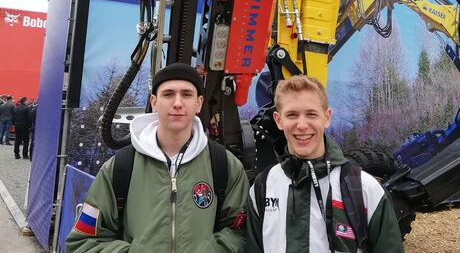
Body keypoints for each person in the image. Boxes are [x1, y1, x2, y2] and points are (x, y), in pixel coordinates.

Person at [66, 62, 249, 252]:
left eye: (187, 94)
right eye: (168, 94)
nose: (177, 103)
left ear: (199, 103)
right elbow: (83, 242)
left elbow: (241, 234)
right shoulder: (120, 168)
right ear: (154, 103)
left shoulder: (225, 166)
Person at [246, 75, 404, 253]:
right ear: (278, 120)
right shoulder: (262, 188)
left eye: (311, 114)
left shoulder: (364, 189)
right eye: (292, 115)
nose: (302, 125)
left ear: (327, 117)